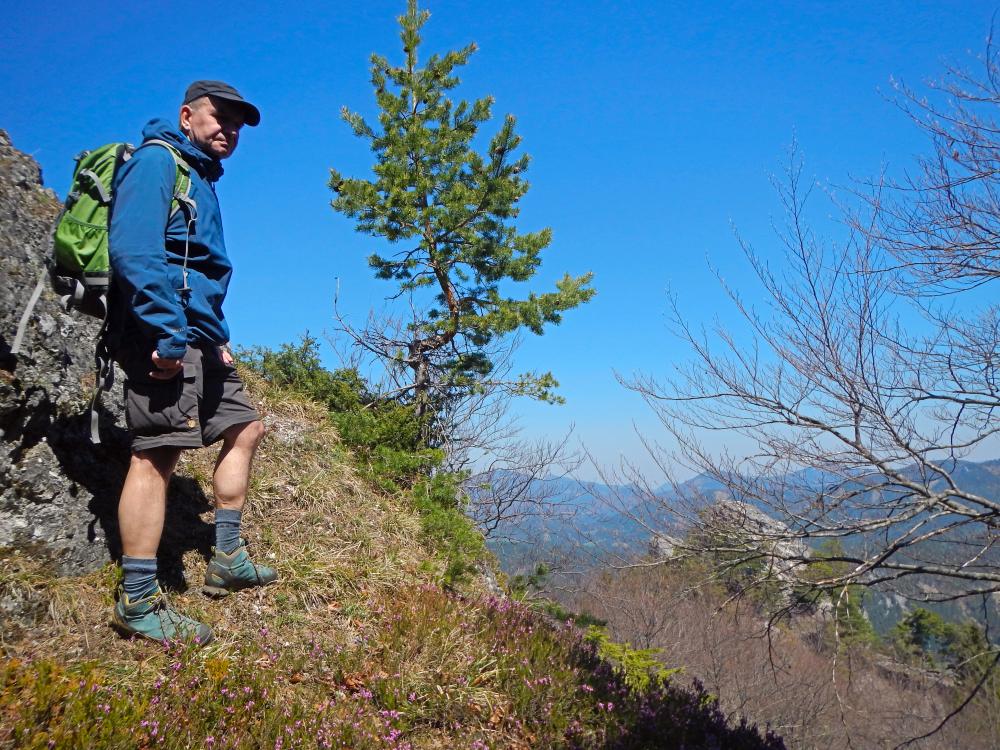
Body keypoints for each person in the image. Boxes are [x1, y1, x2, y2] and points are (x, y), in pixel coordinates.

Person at [108, 81, 276, 645]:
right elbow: (134, 249)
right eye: (218, 116)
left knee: (245, 426)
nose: (228, 128)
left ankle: (226, 555)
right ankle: (137, 601)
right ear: (187, 115)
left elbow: (199, 269)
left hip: (200, 336)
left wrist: (215, 335)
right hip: (164, 336)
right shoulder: (158, 164)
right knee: (157, 454)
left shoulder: (200, 177)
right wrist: (165, 331)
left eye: (237, 123)